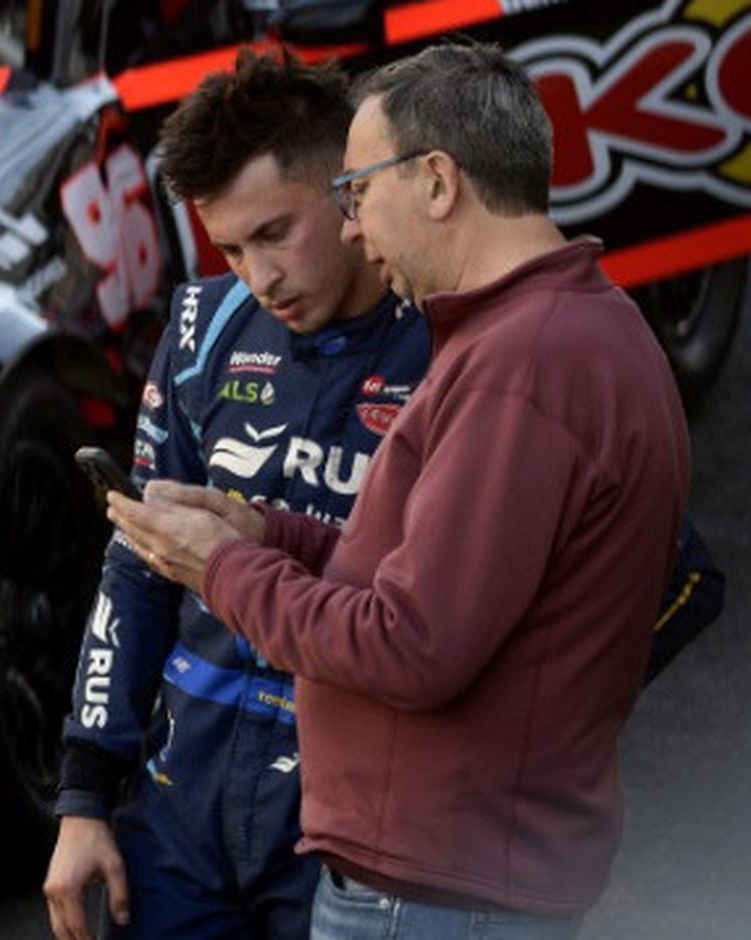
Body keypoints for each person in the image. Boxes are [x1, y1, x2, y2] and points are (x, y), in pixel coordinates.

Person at [107, 42, 692, 940]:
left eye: (357, 193)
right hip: (455, 878)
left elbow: (411, 643)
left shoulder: (521, 366)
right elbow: (425, 575)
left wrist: (223, 568)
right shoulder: (552, 334)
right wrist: (268, 530)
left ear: (437, 182)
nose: (349, 227)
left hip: (437, 893)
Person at [43, 49, 431, 940]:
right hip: (186, 804)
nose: (257, 275)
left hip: (361, 814)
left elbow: (618, 575)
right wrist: (84, 798)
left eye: (273, 234)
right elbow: (137, 563)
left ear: (348, 194)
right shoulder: (202, 327)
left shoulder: (457, 340)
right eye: (229, 246)